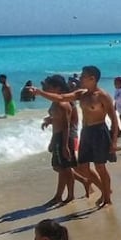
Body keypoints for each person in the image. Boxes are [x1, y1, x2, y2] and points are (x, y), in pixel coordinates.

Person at [30, 65, 118, 207]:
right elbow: (61, 97)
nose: (80, 77)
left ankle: (107, 198)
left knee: (100, 167)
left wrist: (114, 142)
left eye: (83, 76)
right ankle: (106, 190)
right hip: (86, 132)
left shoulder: (102, 96)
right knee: (82, 167)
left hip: (99, 131)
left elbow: (114, 119)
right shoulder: (81, 94)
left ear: (92, 78)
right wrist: (40, 93)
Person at [40, 74, 90, 206]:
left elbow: (67, 125)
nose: (47, 89)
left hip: (65, 136)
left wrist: (64, 146)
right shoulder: (57, 101)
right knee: (62, 167)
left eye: (49, 87)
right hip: (58, 135)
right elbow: (59, 118)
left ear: (57, 87)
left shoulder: (64, 102)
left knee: (65, 167)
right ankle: (78, 184)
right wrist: (50, 121)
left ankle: (70, 194)